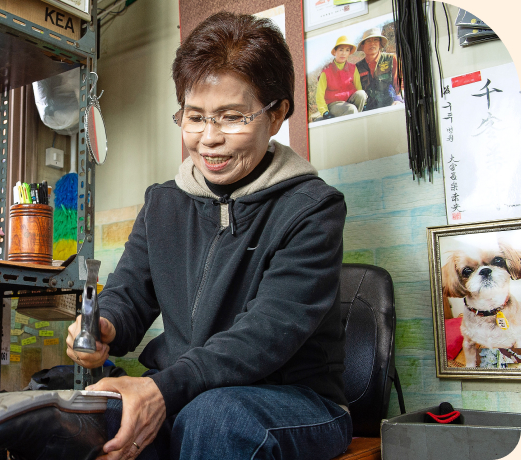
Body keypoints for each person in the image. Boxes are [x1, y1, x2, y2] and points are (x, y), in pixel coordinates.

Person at [66, 11, 351, 460]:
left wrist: (164, 388)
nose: (208, 139)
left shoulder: (313, 208)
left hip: (294, 400)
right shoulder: (164, 203)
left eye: (232, 117)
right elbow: (130, 293)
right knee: (77, 414)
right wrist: (106, 324)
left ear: (276, 115)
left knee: (216, 417)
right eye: (195, 117)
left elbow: (266, 334)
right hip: (189, 390)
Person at [316, 36, 367, 119]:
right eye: (341, 50)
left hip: (350, 100)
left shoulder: (353, 68)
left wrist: (364, 104)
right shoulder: (326, 71)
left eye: (347, 50)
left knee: (361, 94)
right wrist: (324, 111)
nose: (344, 53)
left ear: (349, 53)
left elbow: (358, 87)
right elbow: (319, 94)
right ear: (335, 51)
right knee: (351, 109)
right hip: (334, 104)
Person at [355, 28, 403, 111]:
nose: (372, 43)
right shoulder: (357, 67)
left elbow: (400, 83)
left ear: (380, 44)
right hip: (368, 110)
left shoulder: (391, 59)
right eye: (368, 41)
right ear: (363, 46)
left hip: (391, 106)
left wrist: (398, 100)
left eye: (375, 40)